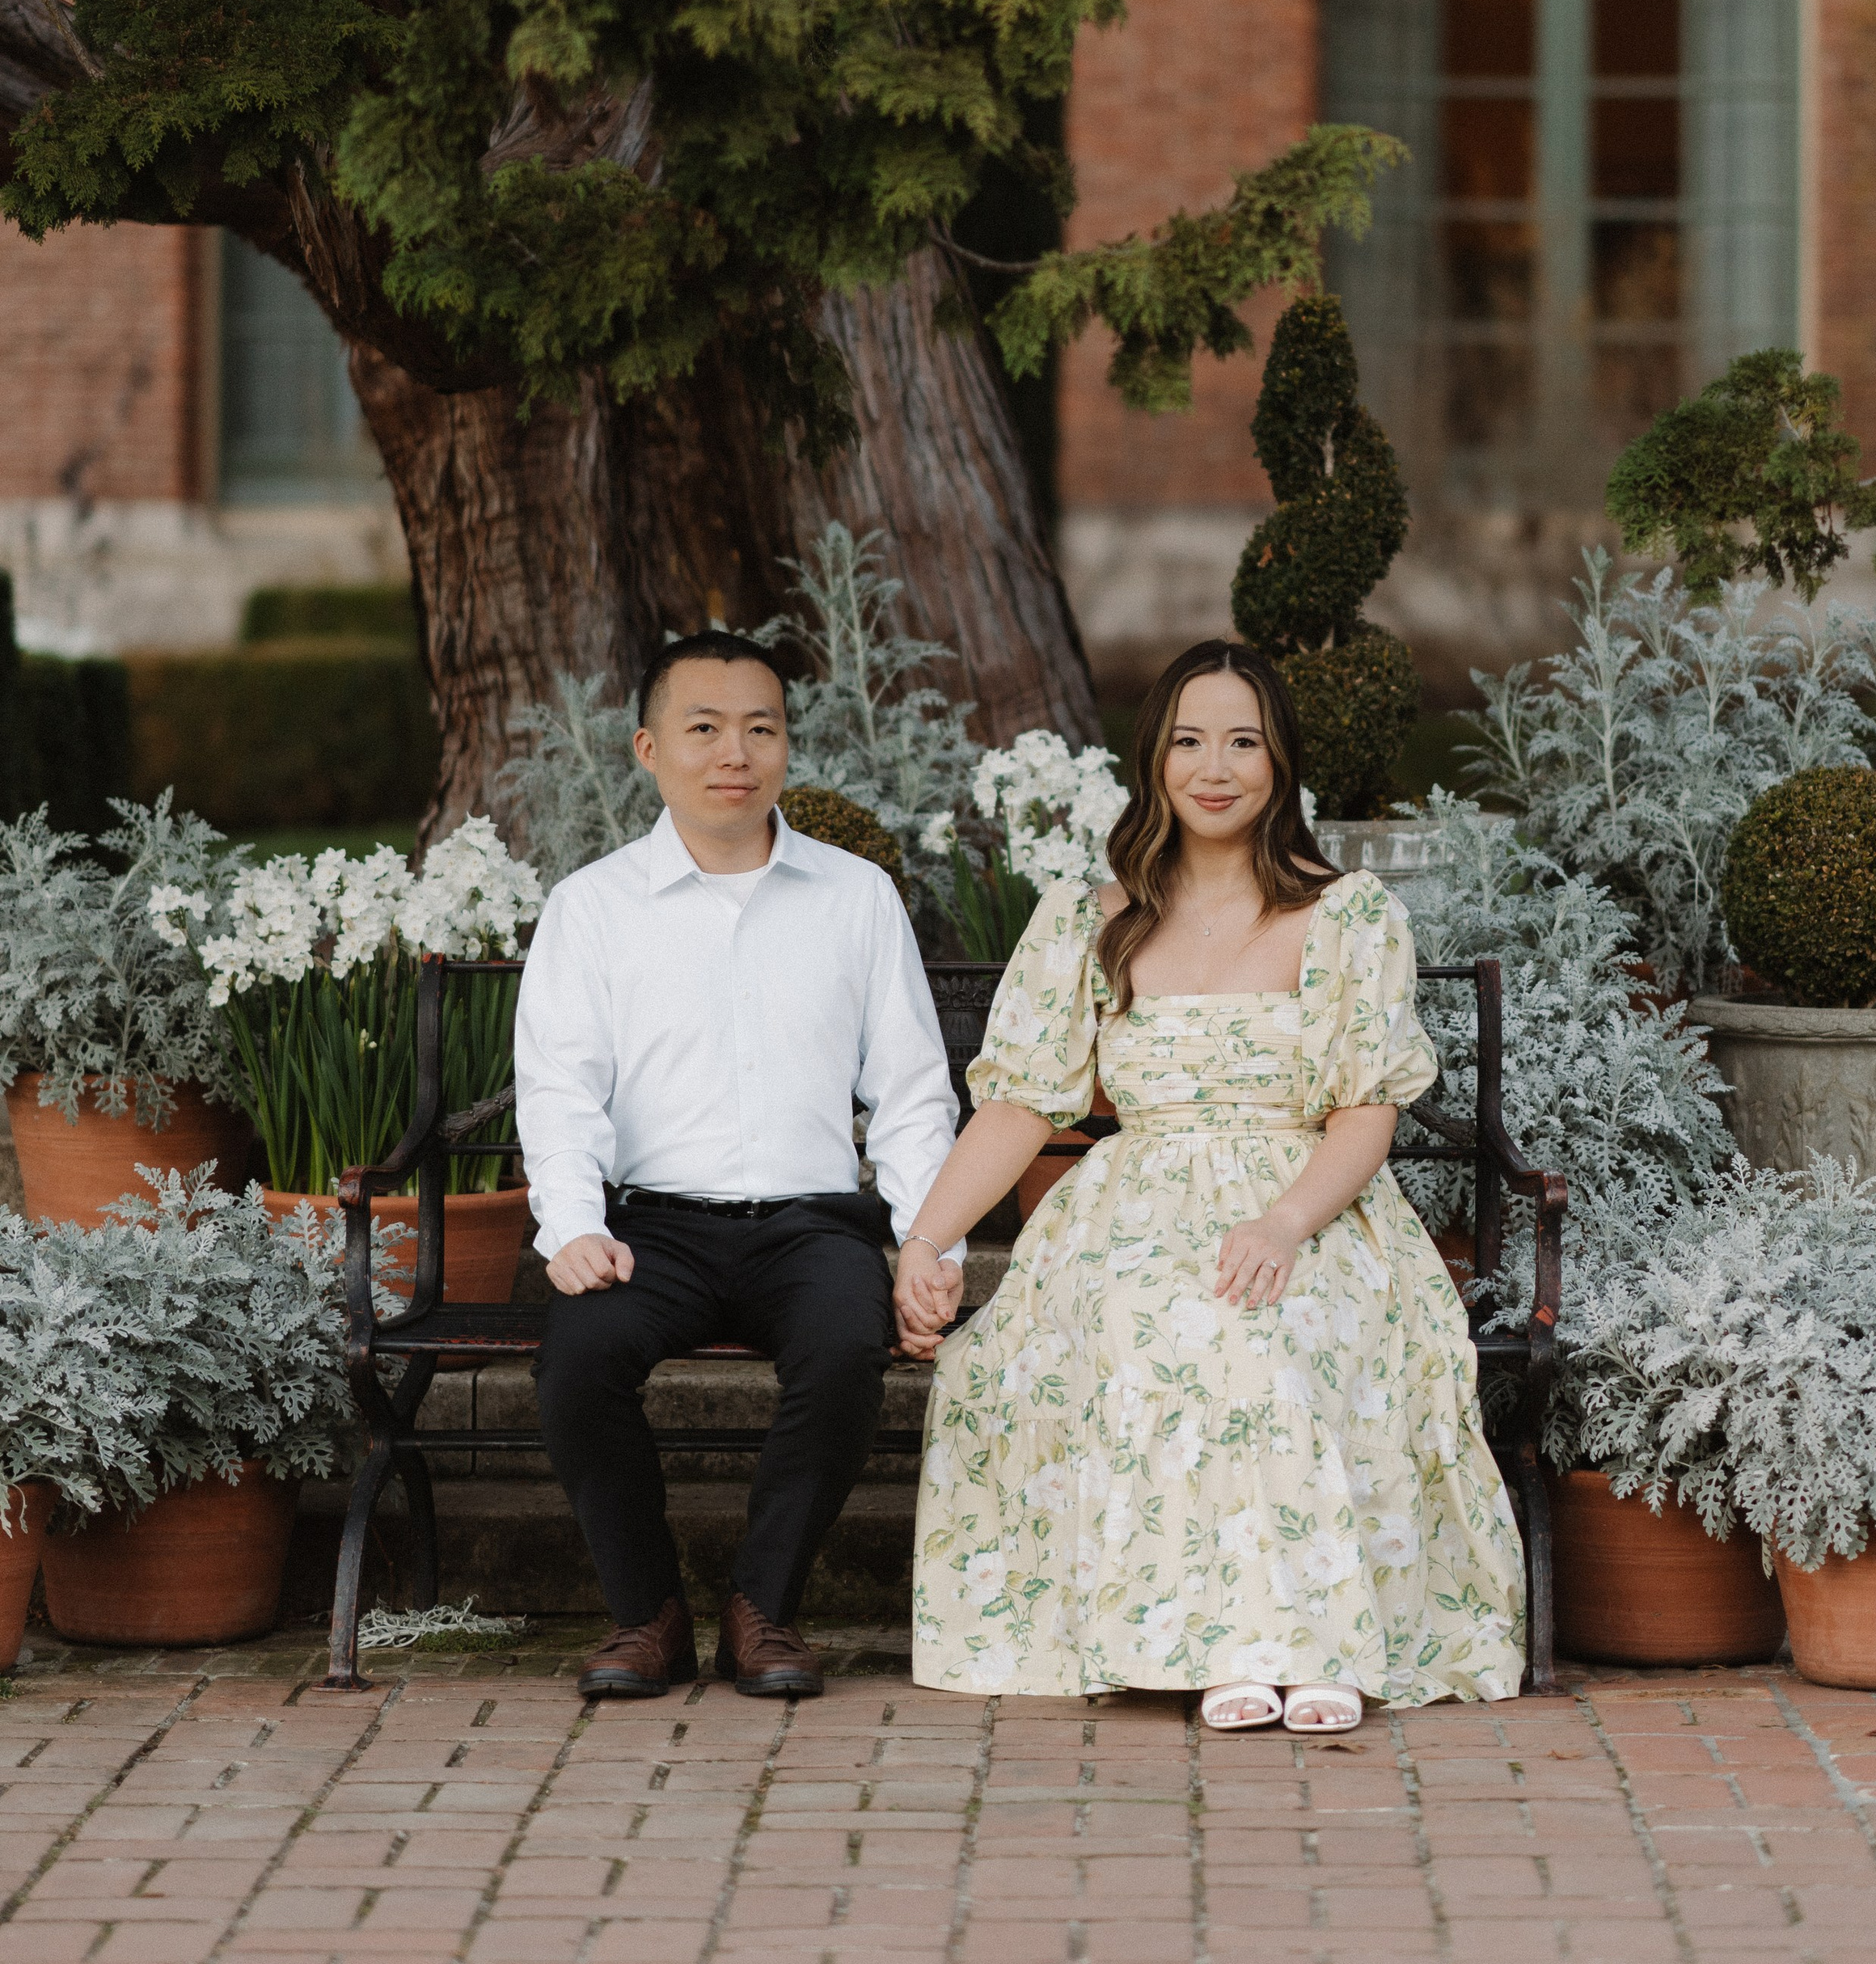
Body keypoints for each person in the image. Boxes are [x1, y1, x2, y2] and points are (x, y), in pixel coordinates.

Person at [892, 640, 1524, 1729]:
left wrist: (1282, 1224)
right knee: (1160, 1325)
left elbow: (1365, 1110)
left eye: (1244, 740)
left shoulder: (1345, 914)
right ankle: (1225, 1647)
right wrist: (928, 1241)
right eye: (1189, 740)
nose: (1215, 765)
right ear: (1155, 761)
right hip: (1128, 1212)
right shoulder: (1092, 917)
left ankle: (1315, 1643)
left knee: (1269, 1332)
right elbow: (1019, 1103)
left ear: (1280, 763)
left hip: (1309, 1202)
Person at [515, 631, 961, 1701]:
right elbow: (560, 1087)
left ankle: (763, 1608)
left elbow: (909, 1091)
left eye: (761, 728)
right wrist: (573, 1225)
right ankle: (646, 1615)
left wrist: (923, 1242)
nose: (736, 753)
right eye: (704, 728)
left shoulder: (854, 898)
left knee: (848, 1348)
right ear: (647, 749)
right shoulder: (594, 907)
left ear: (786, 748)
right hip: (653, 1227)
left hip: (813, 1225)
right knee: (577, 1360)